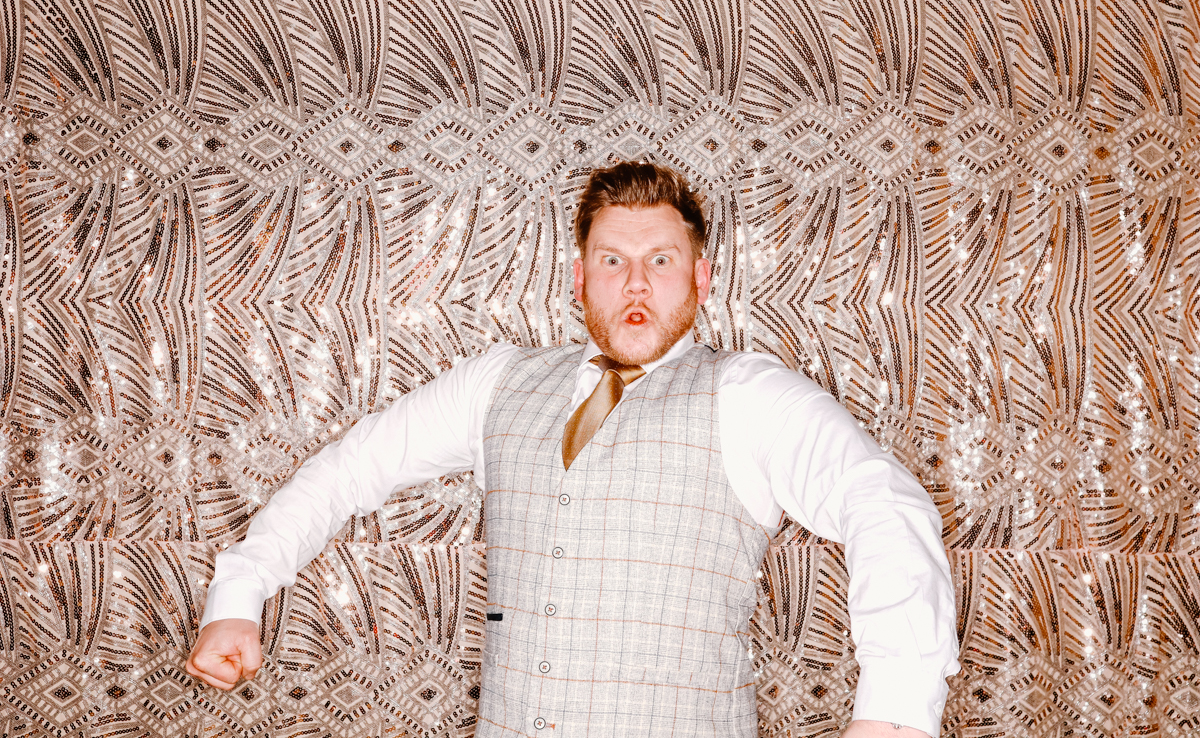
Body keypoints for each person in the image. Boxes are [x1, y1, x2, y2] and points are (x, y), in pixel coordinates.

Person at [187, 162, 960, 737]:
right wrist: (240, 593)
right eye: (613, 260)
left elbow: (881, 503)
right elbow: (352, 468)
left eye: (660, 260)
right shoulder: (498, 383)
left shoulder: (747, 395)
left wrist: (894, 713)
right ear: (580, 277)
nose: (635, 284)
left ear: (701, 275)